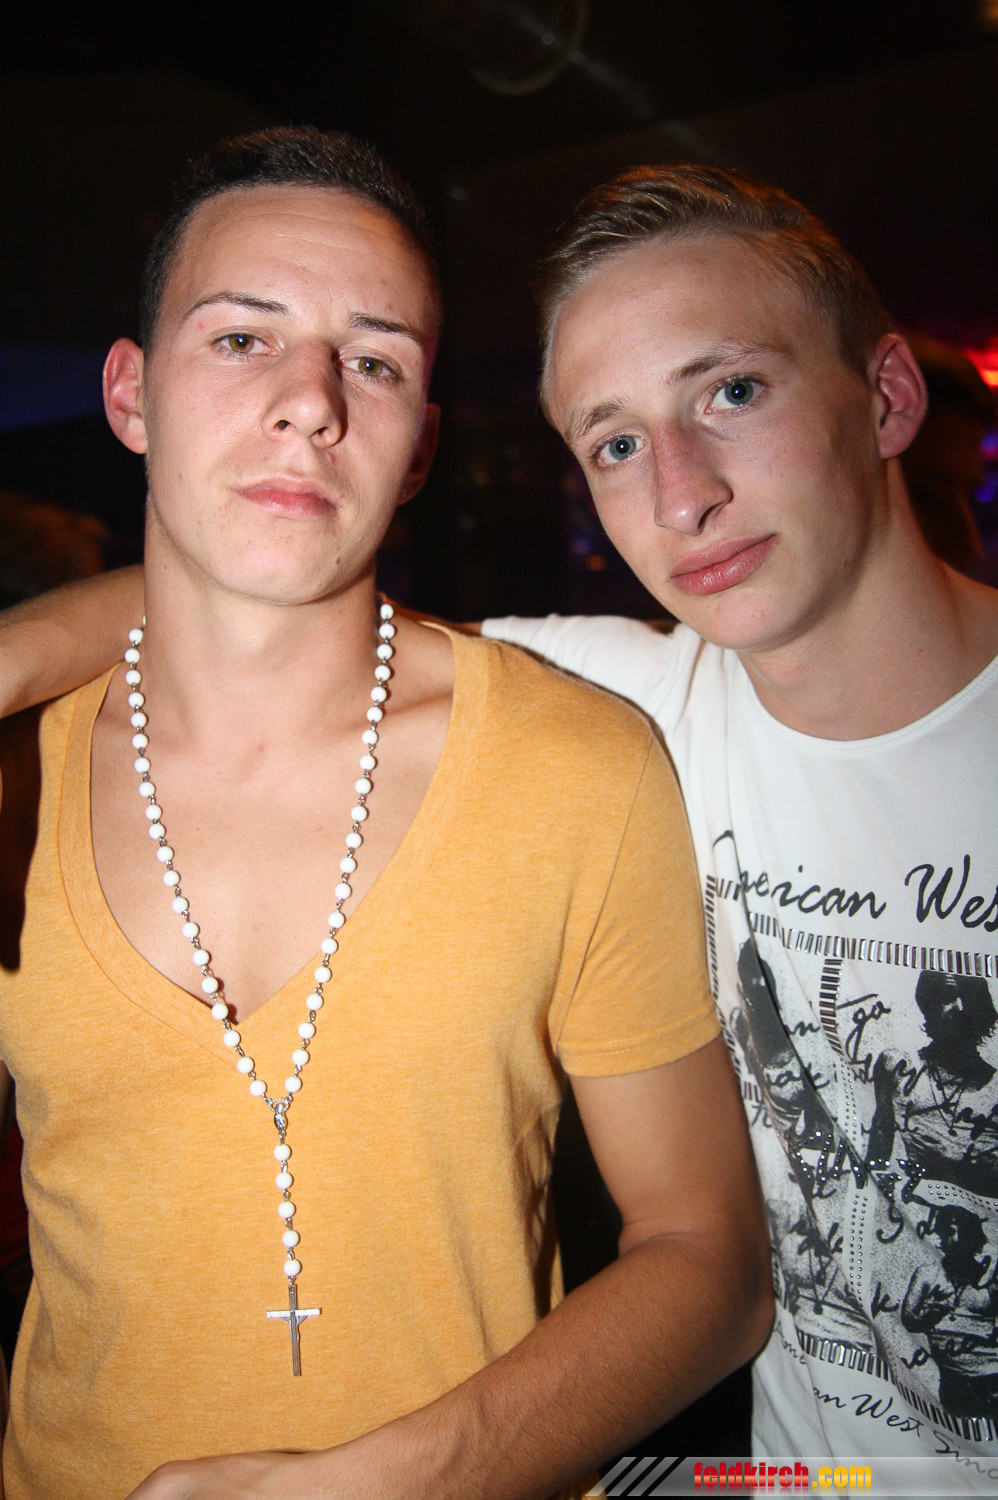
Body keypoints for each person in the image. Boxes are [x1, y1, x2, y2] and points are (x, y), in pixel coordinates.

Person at [0, 132, 771, 1500]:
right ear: (130, 394)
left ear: (419, 447)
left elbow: (709, 1262)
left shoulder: (578, 767)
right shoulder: (17, 774)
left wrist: (406, 1477)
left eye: (374, 361)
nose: (309, 402)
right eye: (242, 338)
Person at [477, 164, 998, 1460]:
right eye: (615, 444)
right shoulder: (642, 705)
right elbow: (276, 637)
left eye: (731, 393)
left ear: (885, 397)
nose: (680, 496)